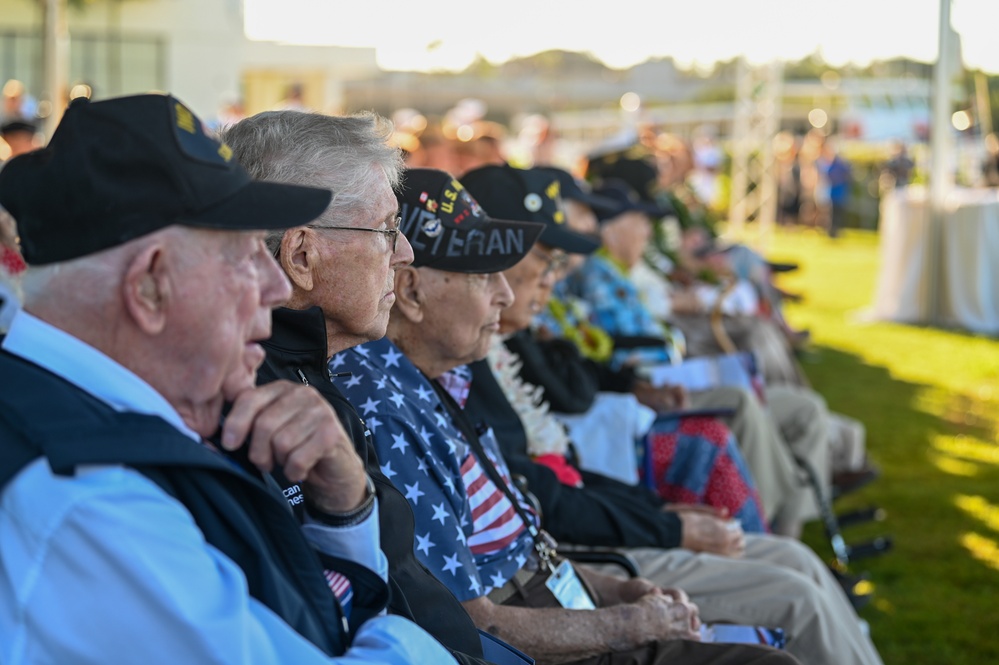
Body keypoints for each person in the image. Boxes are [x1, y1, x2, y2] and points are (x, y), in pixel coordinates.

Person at [0, 93, 456, 664]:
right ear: (150, 287)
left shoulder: (89, 424)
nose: (274, 287)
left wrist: (342, 515)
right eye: (243, 258)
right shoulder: (84, 496)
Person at [333, 167, 797, 665]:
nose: (507, 293)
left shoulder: (439, 376)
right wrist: (628, 613)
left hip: (566, 595)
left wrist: (621, 592)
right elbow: (472, 619)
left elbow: (528, 543)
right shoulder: (386, 401)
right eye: (483, 275)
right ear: (411, 292)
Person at [456, 165, 883, 665]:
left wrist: (661, 515)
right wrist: (666, 526)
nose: (551, 279)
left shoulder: (478, 355)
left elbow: (547, 470)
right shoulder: (449, 373)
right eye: (540, 262)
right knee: (796, 597)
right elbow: (542, 486)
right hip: (572, 559)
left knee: (795, 562)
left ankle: (822, 563)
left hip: (573, 546)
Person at [222, 110, 500, 665]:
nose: (405, 254)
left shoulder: (305, 371)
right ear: (301, 255)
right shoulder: (255, 398)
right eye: (387, 229)